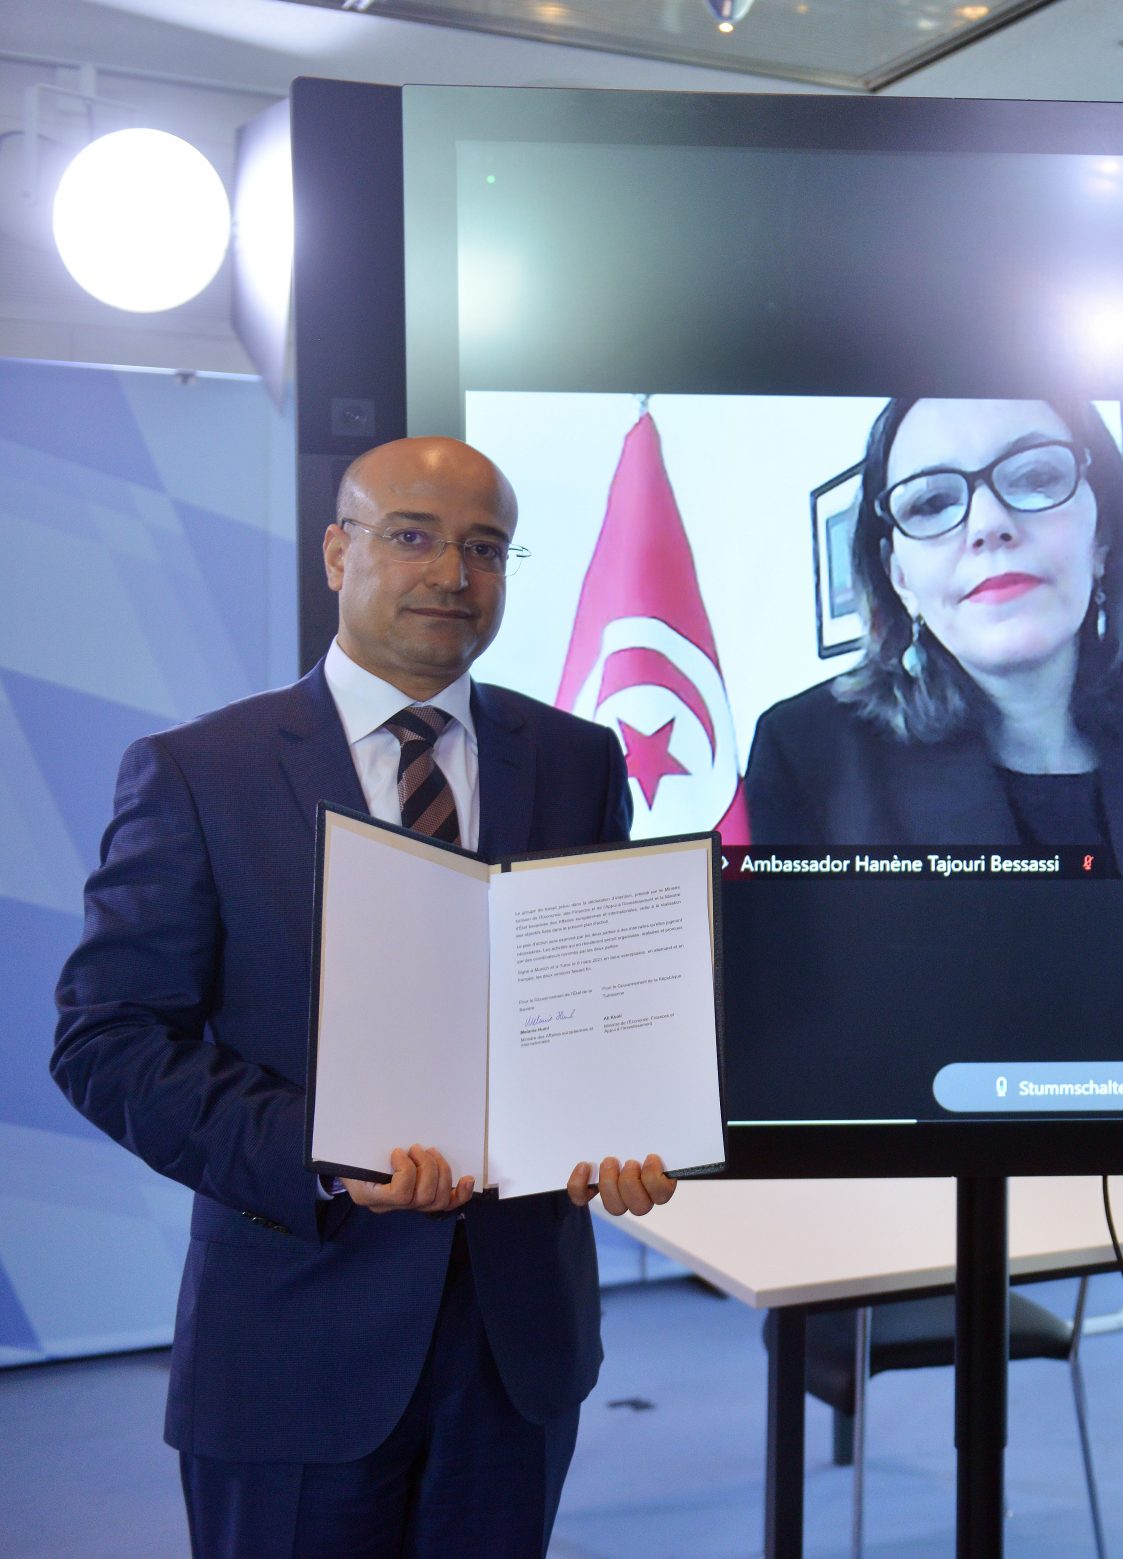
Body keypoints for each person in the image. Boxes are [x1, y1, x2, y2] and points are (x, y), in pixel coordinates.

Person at [52, 437, 679, 1558]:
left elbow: (596, 1008)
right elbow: (109, 1038)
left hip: (519, 1346)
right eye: (414, 536)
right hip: (293, 1338)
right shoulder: (200, 771)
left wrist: (627, 1125)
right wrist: (322, 1150)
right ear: (338, 551)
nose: (452, 573)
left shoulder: (578, 759)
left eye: (485, 548)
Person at [745, 397, 1123, 879]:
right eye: (932, 502)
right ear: (900, 577)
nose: (988, 524)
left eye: (1035, 477)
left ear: (1101, 536)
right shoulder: (807, 767)